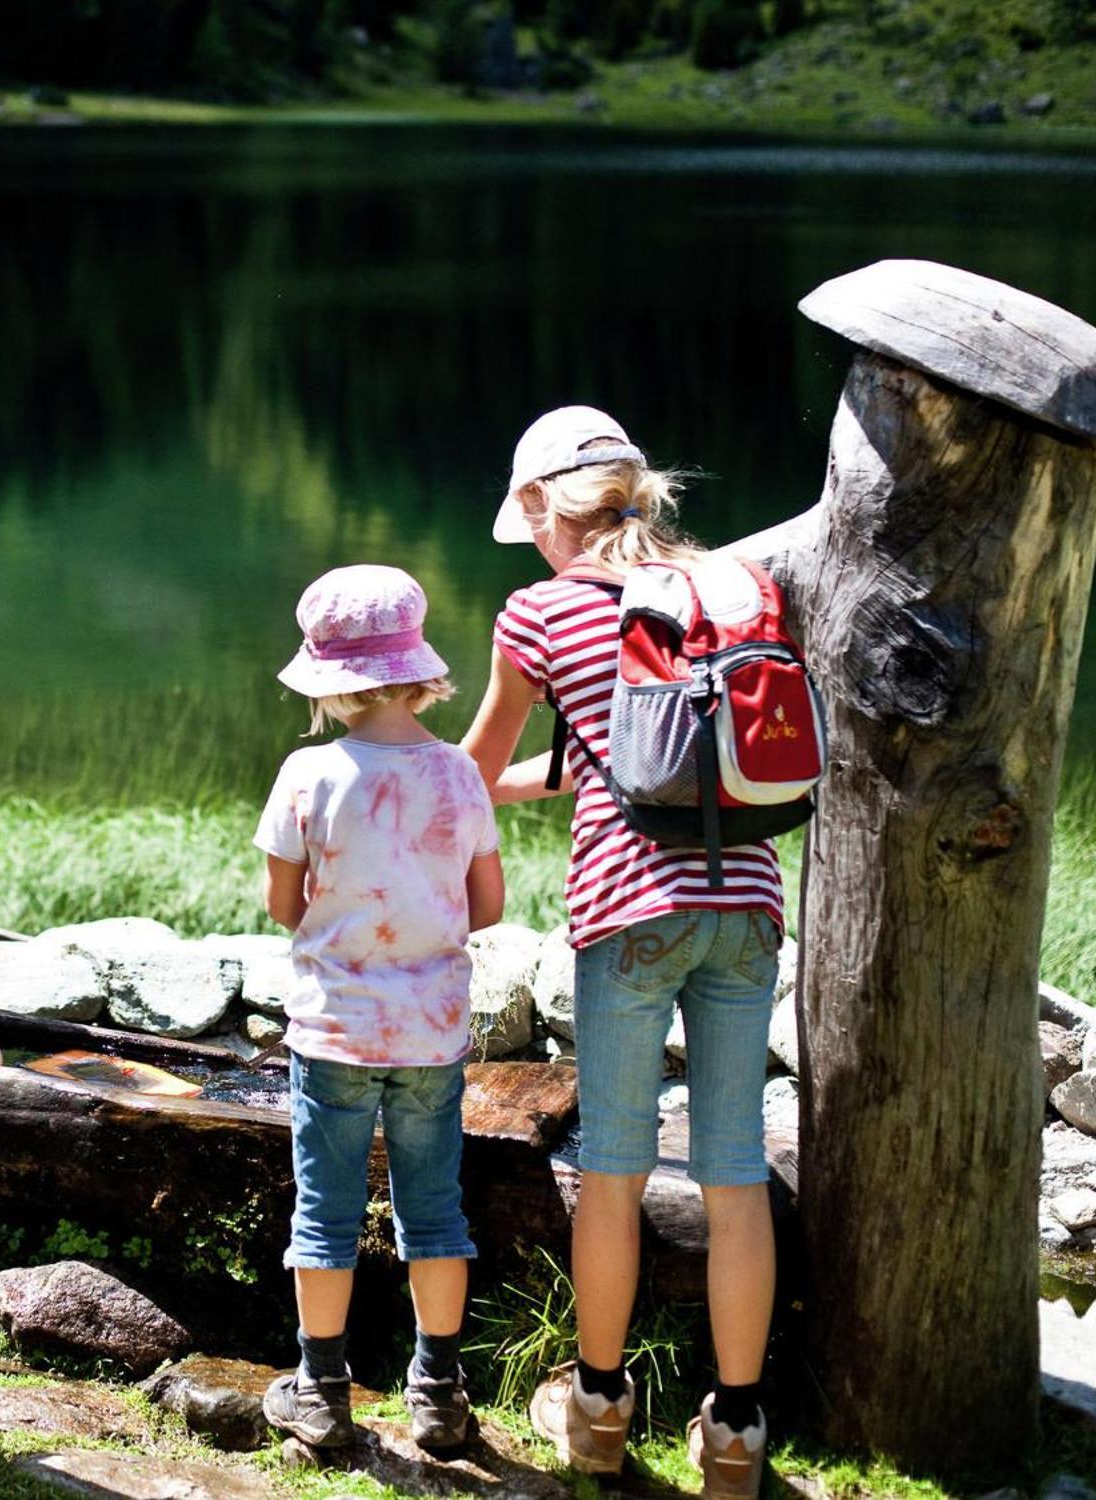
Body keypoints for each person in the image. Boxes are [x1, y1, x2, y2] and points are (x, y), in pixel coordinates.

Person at [459, 408, 782, 1496]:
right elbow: (653, 749)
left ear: (546, 509)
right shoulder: (724, 588)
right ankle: (735, 1433)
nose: (533, 543)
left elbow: (475, 764)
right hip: (744, 901)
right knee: (734, 1171)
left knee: (612, 1170)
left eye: (532, 523)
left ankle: (598, 1409)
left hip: (626, 911)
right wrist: (526, 784)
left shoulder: (541, 608)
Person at [253, 564, 506, 1457]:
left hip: (333, 1030)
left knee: (322, 1213)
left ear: (330, 680)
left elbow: (284, 907)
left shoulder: (307, 772)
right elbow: (492, 904)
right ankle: (439, 1391)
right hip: (432, 1032)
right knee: (435, 1211)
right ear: (417, 668)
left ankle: (320, 1389)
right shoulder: (460, 775)